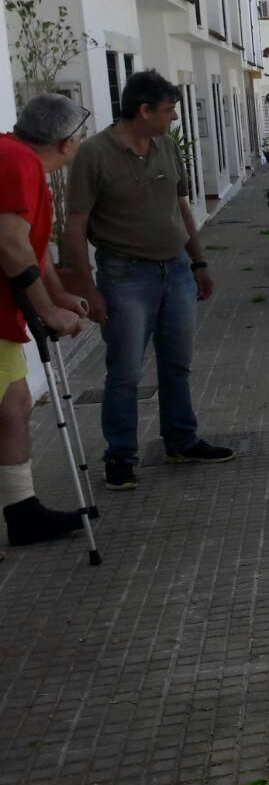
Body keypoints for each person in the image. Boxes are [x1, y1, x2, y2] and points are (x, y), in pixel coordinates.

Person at [62, 71, 234, 492]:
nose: (174, 117)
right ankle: (120, 456)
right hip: (124, 275)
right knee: (124, 371)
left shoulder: (166, 146)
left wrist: (199, 262)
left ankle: (181, 440)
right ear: (143, 111)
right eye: (168, 110)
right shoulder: (94, 155)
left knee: (177, 363)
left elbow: (180, 206)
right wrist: (87, 289)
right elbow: (75, 226)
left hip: (174, 268)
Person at [0, 95, 90, 545]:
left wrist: (59, 296)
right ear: (64, 142)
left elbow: (33, 248)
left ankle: (22, 512)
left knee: (14, 407)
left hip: (3, 314)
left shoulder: (18, 158)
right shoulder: (17, 163)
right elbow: (11, 245)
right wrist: (46, 310)